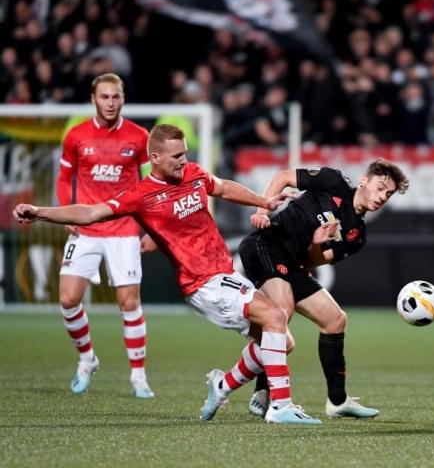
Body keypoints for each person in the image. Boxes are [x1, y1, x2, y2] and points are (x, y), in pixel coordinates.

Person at [14, 124, 321, 425]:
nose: (183, 160)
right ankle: (280, 406)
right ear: (155, 159)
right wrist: (41, 212)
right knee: (276, 317)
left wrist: (263, 202)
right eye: (176, 156)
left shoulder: (194, 173)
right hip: (202, 283)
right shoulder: (141, 195)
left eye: (184, 153)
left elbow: (224, 187)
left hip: (224, 274)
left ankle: (223, 386)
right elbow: (91, 213)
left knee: (281, 342)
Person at [239, 159, 409, 418]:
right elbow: (282, 177)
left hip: (294, 263)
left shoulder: (357, 234)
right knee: (281, 311)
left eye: (388, 193)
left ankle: (338, 402)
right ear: (364, 180)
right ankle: (264, 393)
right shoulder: (334, 181)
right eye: (380, 187)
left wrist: (317, 244)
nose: (383, 196)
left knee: (335, 319)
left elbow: (315, 260)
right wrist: (262, 211)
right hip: (267, 245)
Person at [55, 72, 153, 398]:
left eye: (115, 97)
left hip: (123, 229)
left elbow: (150, 187)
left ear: (123, 99)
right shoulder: (76, 136)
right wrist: (66, 210)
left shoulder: (140, 137)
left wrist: (152, 228)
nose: (110, 103)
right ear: (93, 99)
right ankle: (87, 359)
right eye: (104, 97)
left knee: (128, 301)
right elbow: (63, 177)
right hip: (86, 227)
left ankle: (138, 376)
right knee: (68, 298)